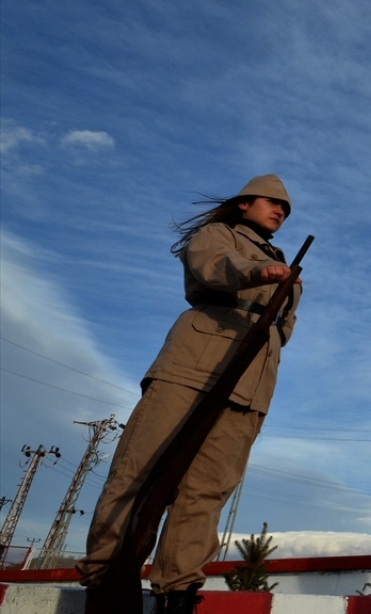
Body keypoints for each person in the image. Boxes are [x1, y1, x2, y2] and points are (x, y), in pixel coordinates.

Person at [76, 174, 302, 613]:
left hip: (253, 376)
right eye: (272, 202)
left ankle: (177, 590)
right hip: (195, 361)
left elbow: (285, 325)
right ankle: (105, 576)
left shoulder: (285, 261)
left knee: (209, 487)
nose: (280, 211)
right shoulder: (219, 235)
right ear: (243, 204)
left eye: (286, 209)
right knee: (140, 468)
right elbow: (212, 266)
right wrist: (256, 271)